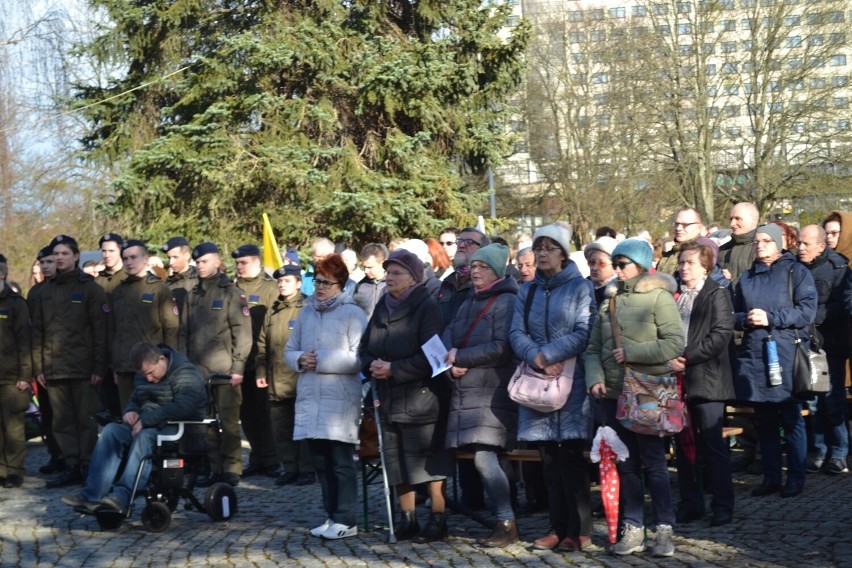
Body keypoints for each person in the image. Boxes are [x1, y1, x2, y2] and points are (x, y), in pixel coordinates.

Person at [586, 237, 685, 557]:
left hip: (647, 392)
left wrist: (631, 352)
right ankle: (632, 527)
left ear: (640, 265)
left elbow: (674, 344)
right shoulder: (608, 301)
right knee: (625, 465)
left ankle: (664, 529)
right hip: (614, 394)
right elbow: (592, 349)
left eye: (622, 264)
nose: (616, 270)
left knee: (655, 464)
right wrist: (596, 378)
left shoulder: (660, 298)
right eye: (613, 264)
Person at [509, 223, 596, 553]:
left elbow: (583, 332)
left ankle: (580, 529)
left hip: (571, 381)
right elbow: (516, 333)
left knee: (571, 457)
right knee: (547, 459)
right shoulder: (527, 290)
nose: (542, 253)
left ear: (563, 253)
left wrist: (551, 353)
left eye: (549, 247)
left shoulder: (579, 288)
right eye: (539, 247)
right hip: (537, 380)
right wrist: (536, 357)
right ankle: (556, 527)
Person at [359, 249, 453, 543]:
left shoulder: (427, 307)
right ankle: (407, 519)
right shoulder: (382, 307)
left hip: (422, 398)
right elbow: (365, 346)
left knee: (428, 463)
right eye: (388, 272)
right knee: (396, 462)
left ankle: (438, 519)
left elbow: (433, 357)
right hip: (387, 398)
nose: (390, 277)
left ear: (414, 278)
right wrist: (370, 364)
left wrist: (394, 368)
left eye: (397, 273)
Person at [61, 343, 207, 514]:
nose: (149, 379)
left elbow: (184, 407)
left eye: (151, 373)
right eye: (144, 375)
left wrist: (145, 420)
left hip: (178, 427)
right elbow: (137, 398)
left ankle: (122, 496)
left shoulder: (185, 372)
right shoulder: (144, 376)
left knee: (144, 436)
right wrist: (130, 411)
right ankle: (92, 495)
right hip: (148, 424)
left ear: (162, 359)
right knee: (111, 431)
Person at [284, 255, 367, 539]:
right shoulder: (306, 312)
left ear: (339, 285)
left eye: (325, 283)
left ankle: (346, 518)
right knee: (320, 462)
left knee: (341, 462)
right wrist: (299, 359)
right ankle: (331, 515)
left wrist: (320, 360)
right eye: (316, 281)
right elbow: (289, 350)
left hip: (339, 400)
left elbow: (359, 359)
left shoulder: (353, 313)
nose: (319, 287)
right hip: (311, 396)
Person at [442, 244, 519, 547]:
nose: (475, 271)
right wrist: (451, 364)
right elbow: (451, 335)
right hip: (467, 391)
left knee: (485, 459)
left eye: (482, 267)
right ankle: (507, 520)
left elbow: (503, 347)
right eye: (473, 266)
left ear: (497, 271)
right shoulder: (467, 301)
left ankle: (506, 521)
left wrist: (462, 357)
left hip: (493, 393)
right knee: (486, 459)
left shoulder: (507, 302)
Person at [733, 224, 817, 498]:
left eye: (767, 240)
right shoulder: (746, 278)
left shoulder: (797, 272)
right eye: (756, 241)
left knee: (791, 418)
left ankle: (796, 476)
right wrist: (744, 319)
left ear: (780, 244)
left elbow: (806, 311)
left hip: (786, 354)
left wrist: (772, 318)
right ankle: (771, 477)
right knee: (765, 421)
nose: (760, 245)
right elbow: (732, 314)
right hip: (755, 355)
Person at [32, 235, 108, 488]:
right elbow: (38, 331)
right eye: (57, 254)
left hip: (84, 368)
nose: (60, 258)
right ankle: (71, 464)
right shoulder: (45, 291)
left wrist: (99, 367)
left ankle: (87, 465)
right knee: (61, 421)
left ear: (76, 256)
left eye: (65, 253)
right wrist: (39, 366)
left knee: (86, 420)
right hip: (54, 368)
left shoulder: (90, 288)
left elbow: (100, 331)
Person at [668, 242, 736, 527]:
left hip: (707, 379)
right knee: (683, 445)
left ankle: (722, 504)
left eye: (690, 263)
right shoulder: (675, 295)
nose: (684, 267)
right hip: (675, 379)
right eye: (681, 262)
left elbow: (721, 335)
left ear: (706, 266)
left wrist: (687, 357)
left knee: (712, 445)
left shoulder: (716, 294)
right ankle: (690, 502)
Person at [178, 242, 251, 487]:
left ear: (217, 262)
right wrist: (185, 368)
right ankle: (214, 468)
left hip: (225, 370)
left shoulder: (231, 293)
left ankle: (232, 468)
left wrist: (238, 369)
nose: (200, 266)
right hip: (198, 372)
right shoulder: (192, 295)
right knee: (206, 424)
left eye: (205, 261)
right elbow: (183, 334)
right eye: (197, 262)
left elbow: (243, 334)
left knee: (229, 423)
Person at [797, 225, 852, 474]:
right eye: (798, 243)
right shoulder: (796, 268)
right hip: (806, 345)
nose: (800, 248)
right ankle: (819, 451)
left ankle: (839, 453)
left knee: (833, 400)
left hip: (830, 344)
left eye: (805, 244)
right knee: (814, 401)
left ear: (821, 246)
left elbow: (840, 305)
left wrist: (807, 315)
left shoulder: (838, 268)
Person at [256, 265, 314, 486]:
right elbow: (262, 345)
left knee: (303, 427)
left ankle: (307, 469)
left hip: (300, 378)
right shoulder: (274, 309)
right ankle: (289, 467)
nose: (282, 285)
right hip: (276, 380)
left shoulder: (307, 307)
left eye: (287, 281)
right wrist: (261, 371)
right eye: (279, 281)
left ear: (299, 283)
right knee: (281, 429)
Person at [110, 240, 179, 409]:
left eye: (133, 257)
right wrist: (115, 365)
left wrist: (169, 363)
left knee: (152, 414)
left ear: (146, 259)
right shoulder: (119, 291)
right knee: (128, 415)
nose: (129, 262)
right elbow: (114, 329)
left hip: (151, 366)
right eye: (125, 258)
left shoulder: (158, 289)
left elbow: (171, 328)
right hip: (125, 365)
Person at [232, 244, 280, 478]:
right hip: (239, 362)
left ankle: (272, 457)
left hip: (262, 360)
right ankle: (257, 456)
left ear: (257, 262)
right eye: (237, 263)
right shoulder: (232, 288)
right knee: (247, 413)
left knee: (265, 412)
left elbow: (274, 325)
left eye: (244, 262)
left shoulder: (270, 288)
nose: (239, 267)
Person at [27, 246, 64, 475]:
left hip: (65, 360)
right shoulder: (36, 293)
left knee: (66, 415)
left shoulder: (65, 288)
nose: (46, 266)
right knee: (48, 414)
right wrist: (36, 367)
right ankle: (55, 455)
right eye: (43, 262)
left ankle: (71, 457)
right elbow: (33, 331)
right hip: (43, 362)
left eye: (50, 261)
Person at [0, 259, 33, 488]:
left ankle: (14, 470)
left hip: (11, 376)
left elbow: (25, 341)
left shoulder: (15, 304)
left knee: (13, 427)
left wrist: (25, 375)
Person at [719, 202, 760, 286]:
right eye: (731, 219)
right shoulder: (723, 249)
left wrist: (733, 281)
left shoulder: (762, 248)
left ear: (754, 220)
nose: (732, 224)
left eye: (738, 218)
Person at [656, 208, 706, 275]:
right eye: (677, 224)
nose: (678, 228)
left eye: (685, 225)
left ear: (699, 227)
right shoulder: (671, 252)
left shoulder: (702, 250)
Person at [163, 236, 197, 316]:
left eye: (175, 257)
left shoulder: (199, 281)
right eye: (169, 257)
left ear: (187, 256)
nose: (171, 262)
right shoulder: (168, 284)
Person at [353, 243, 388, 320]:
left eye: (370, 267)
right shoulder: (360, 286)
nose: (366, 271)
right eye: (364, 267)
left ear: (383, 263)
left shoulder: (391, 285)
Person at [584, 236, 618, 306]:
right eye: (592, 262)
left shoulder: (619, 294)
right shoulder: (582, 288)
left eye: (601, 263)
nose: (594, 268)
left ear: (614, 267)